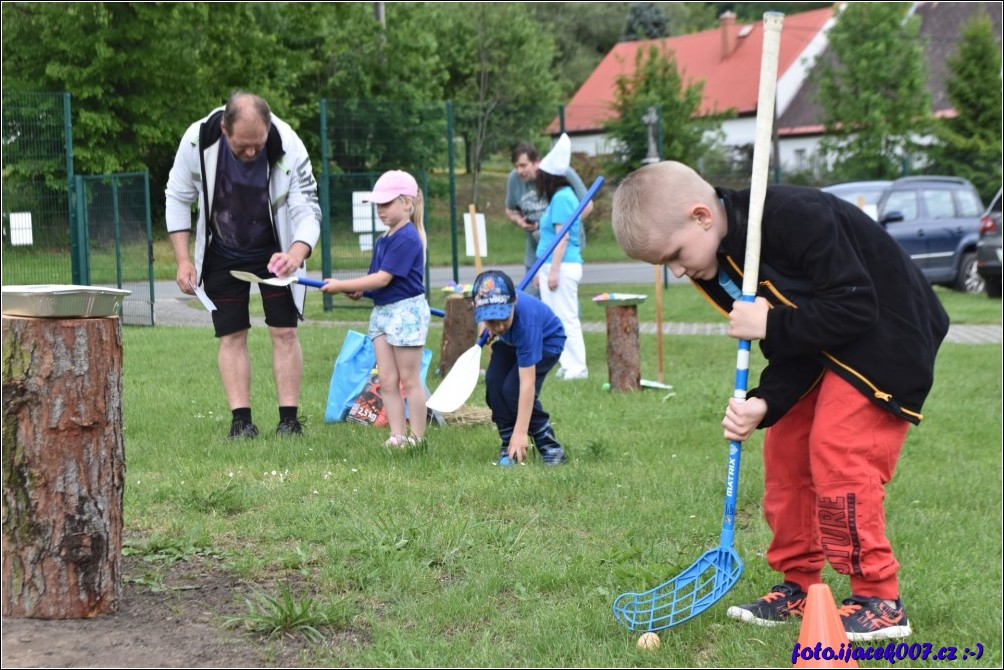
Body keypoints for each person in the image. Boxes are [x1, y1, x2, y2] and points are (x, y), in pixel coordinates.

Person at [610, 161, 949, 642]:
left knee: (839, 450)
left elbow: (856, 306)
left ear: (702, 216)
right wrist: (766, 402)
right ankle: (800, 585)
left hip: (888, 335)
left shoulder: (795, 216)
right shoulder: (715, 267)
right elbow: (794, 347)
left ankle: (879, 598)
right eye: (666, 266)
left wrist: (768, 325)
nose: (678, 271)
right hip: (828, 344)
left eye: (675, 256)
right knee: (786, 451)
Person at [165, 91, 321, 439]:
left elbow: (308, 208)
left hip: (276, 250)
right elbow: (177, 196)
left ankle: (289, 421)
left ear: (268, 128)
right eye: (242, 147)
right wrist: (183, 259)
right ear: (224, 130)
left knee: (284, 331)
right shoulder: (196, 141)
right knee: (231, 334)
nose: (251, 153)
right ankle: (241, 422)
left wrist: (295, 253)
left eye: (258, 144)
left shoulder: (289, 144)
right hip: (222, 249)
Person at [321, 170, 430, 448]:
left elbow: (384, 278)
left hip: (405, 314)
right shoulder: (385, 239)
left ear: (407, 203)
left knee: (409, 379)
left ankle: (417, 438)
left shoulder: (407, 237)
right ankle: (397, 435)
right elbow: (376, 281)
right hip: (382, 313)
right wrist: (359, 291)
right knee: (387, 379)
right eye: (378, 205)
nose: (380, 210)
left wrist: (340, 284)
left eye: (387, 203)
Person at [472, 269, 568, 466]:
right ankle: (509, 443)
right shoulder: (497, 320)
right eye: (491, 321)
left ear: (514, 302)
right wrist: (487, 326)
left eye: (502, 319)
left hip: (546, 341)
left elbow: (527, 384)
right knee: (494, 385)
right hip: (512, 342)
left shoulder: (526, 324)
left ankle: (549, 446)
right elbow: (497, 324)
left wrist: (521, 431)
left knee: (513, 390)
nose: (498, 327)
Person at [504, 140, 593, 296]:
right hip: (537, 245)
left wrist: (563, 226)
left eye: (523, 165)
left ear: (537, 162)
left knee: (561, 294)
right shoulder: (514, 179)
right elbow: (510, 209)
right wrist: (520, 221)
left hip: (562, 245)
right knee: (531, 294)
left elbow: (587, 205)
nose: (519, 171)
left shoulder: (558, 173)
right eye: (516, 166)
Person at [533, 134, 588, 380]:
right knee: (555, 318)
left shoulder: (563, 197)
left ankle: (577, 367)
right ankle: (567, 364)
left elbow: (562, 238)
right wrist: (539, 270)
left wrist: (553, 270)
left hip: (562, 266)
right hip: (551, 266)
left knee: (566, 316)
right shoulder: (558, 198)